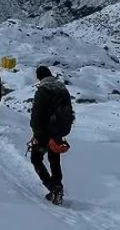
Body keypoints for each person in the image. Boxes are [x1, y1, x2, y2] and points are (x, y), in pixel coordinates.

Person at [29, 65, 74, 205]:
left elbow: (36, 116)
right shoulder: (62, 89)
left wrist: (36, 133)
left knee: (36, 158)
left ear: (39, 77)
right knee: (54, 159)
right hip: (59, 132)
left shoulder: (43, 91)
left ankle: (52, 187)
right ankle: (58, 187)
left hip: (44, 133)